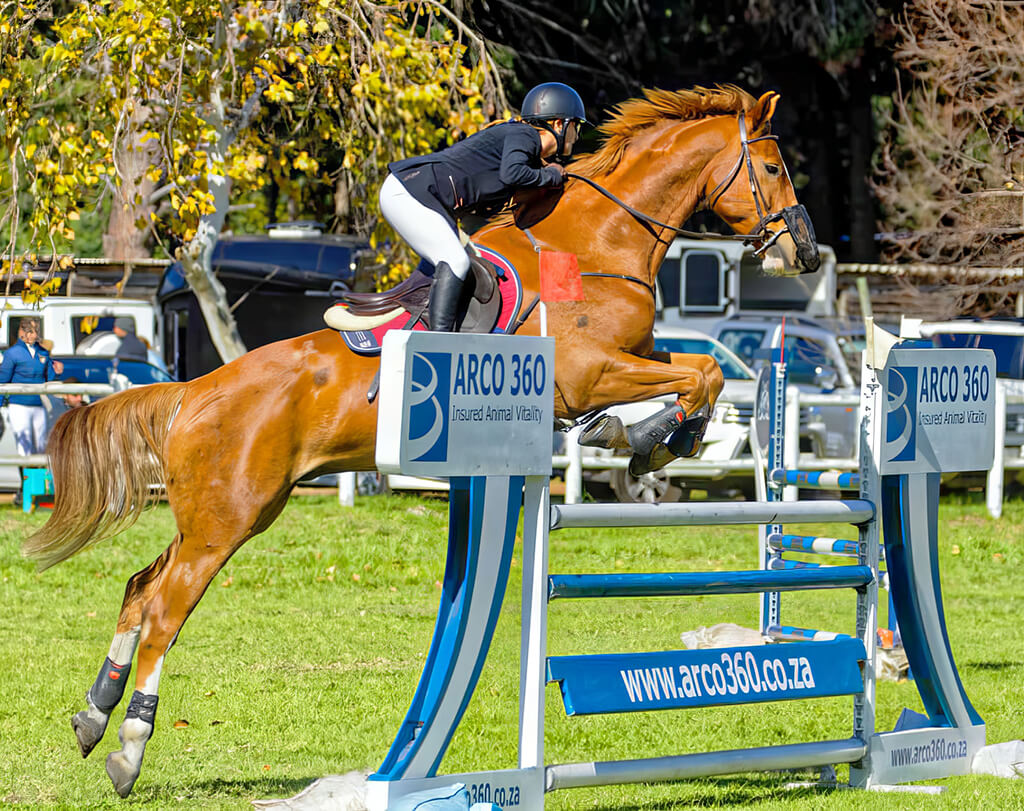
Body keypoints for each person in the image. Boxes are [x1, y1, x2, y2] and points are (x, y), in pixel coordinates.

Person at [381, 82, 587, 331]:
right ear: (558, 124)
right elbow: (512, 174)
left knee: (464, 260)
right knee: (456, 261)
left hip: (422, 195)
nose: (576, 137)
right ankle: (438, 345)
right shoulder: (524, 135)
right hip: (410, 190)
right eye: (576, 127)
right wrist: (553, 176)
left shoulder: (523, 149)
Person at [0, 317, 63, 456]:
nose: (34, 335)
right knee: (24, 447)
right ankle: (27, 477)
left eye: (36, 331)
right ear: (21, 332)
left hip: (38, 405)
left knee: (41, 447)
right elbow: (3, 380)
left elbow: (48, 379)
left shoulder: (43, 352)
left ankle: (39, 478)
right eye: (30, 331)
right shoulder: (12, 353)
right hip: (19, 406)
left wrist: (56, 372)